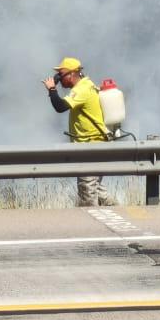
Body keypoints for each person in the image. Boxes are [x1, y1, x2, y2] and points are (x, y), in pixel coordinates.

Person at [43, 56, 116, 207]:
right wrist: (55, 85)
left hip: (90, 147)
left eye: (61, 75)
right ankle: (118, 212)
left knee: (87, 194)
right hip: (97, 145)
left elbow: (60, 107)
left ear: (72, 74)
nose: (59, 79)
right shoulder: (88, 84)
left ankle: (91, 220)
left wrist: (52, 89)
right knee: (99, 191)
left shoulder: (81, 89)